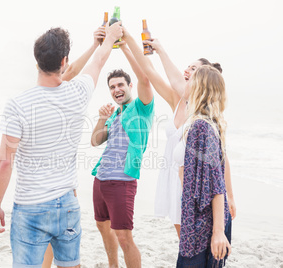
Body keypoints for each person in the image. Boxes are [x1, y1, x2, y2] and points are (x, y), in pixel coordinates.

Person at [0, 23, 123, 268]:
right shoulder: (78, 93)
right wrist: (108, 39)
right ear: (64, 61)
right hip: (67, 205)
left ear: (36, 61)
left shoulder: (18, 105)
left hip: (30, 207)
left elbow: (5, 161)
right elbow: (99, 61)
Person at [123, 28, 236, 238]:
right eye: (187, 66)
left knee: (195, 240)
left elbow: (223, 158)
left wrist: (230, 196)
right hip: (172, 175)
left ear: (203, 77)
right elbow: (150, 71)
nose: (186, 70)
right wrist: (127, 40)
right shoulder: (178, 101)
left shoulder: (205, 113)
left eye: (193, 69)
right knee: (183, 240)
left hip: (192, 180)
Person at [42, 26, 106, 268]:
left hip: (44, 188)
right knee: (66, 254)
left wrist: (94, 46)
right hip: (57, 190)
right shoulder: (62, 93)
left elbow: (71, 70)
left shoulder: (39, 93)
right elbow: (84, 69)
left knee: (48, 244)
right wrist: (102, 44)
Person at [90, 39, 154, 267]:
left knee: (124, 237)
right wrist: (100, 119)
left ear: (130, 86)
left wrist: (125, 46)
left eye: (120, 85)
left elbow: (145, 77)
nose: (116, 90)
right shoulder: (115, 114)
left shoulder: (141, 107)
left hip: (122, 181)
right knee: (102, 226)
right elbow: (95, 141)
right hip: (101, 179)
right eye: (112, 87)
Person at [174, 65, 232, 267]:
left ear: (199, 87)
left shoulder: (201, 127)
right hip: (195, 220)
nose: (185, 83)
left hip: (202, 226)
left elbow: (216, 183)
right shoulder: (204, 123)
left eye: (190, 80)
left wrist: (218, 232)